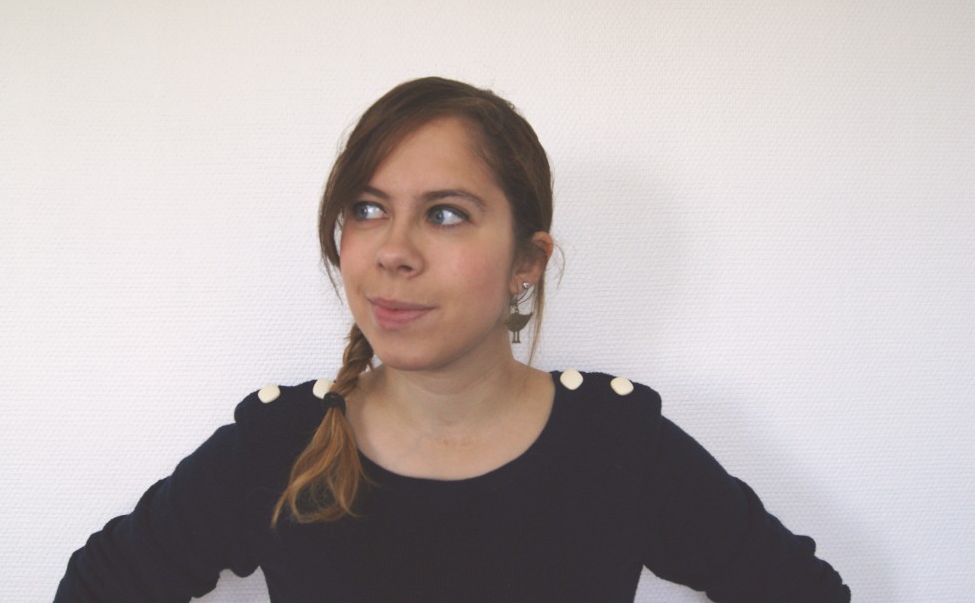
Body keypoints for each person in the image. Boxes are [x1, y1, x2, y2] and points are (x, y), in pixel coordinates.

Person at [55, 77, 850, 602]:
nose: (393, 249)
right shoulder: (279, 445)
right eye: (367, 208)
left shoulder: (618, 444)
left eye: (444, 213)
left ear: (526, 262)